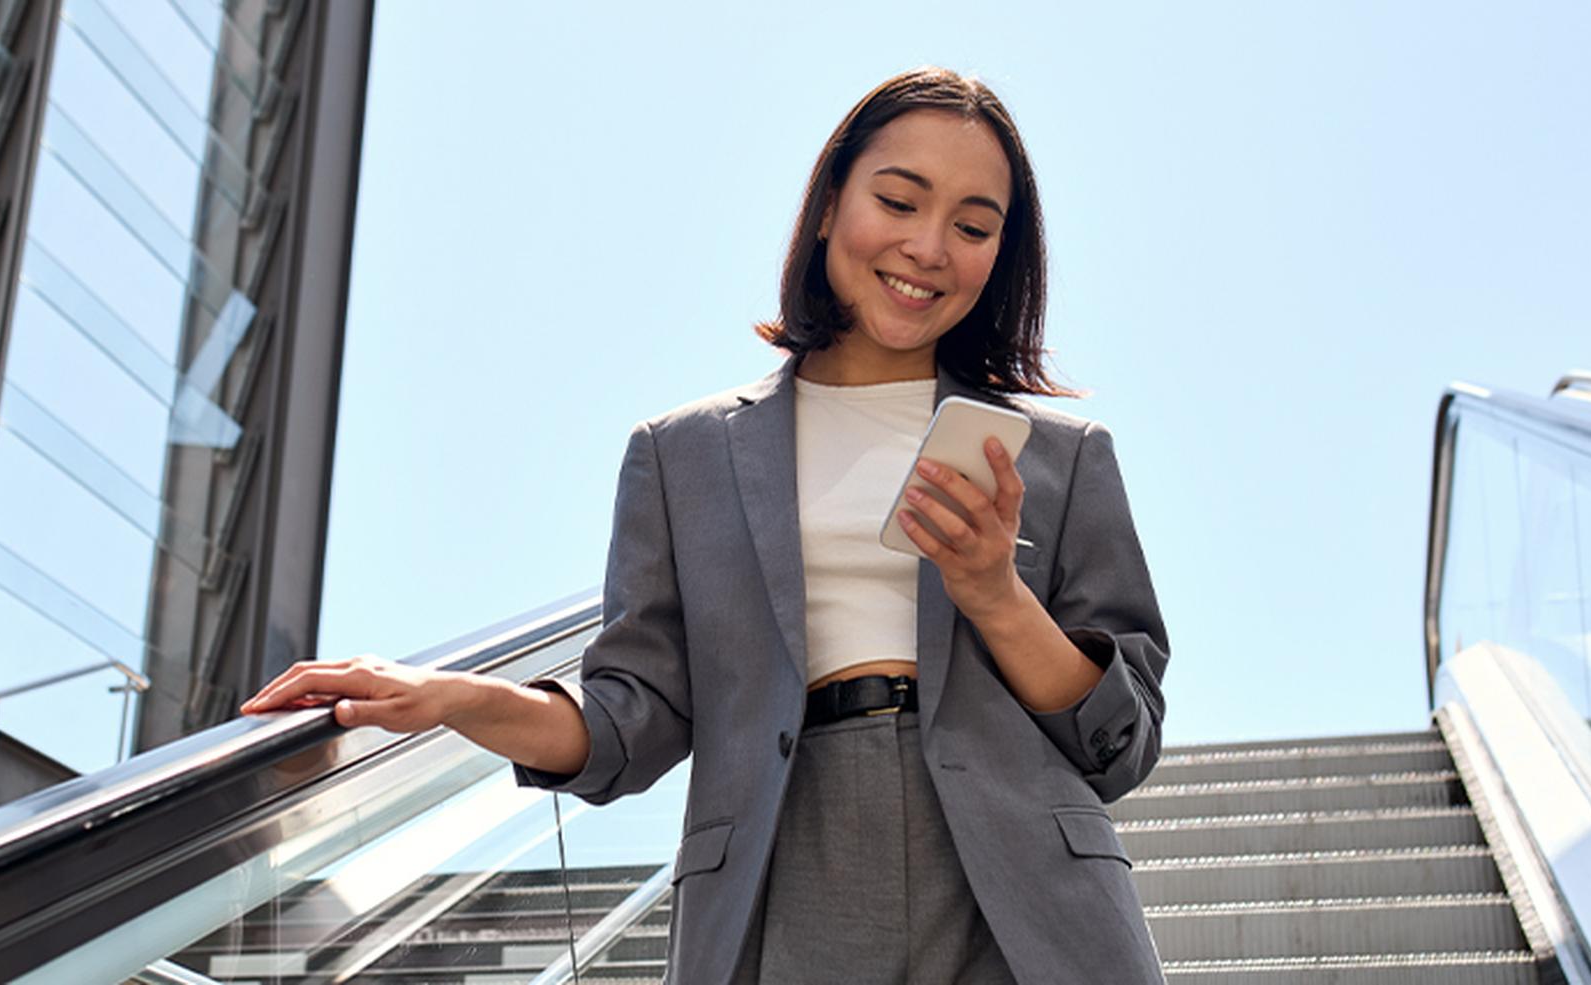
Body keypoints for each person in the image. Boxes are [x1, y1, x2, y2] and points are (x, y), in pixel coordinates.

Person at [242, 67, 1169, 984]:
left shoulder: (1060, 454)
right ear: (827, 207)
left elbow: (1121, 741)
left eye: (973, 227)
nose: (930, 247)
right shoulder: (682, 454)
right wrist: (456, 699)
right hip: (778, 865)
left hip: (1021, 890)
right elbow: (628, 721)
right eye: (898, 201)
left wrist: (995, 596)